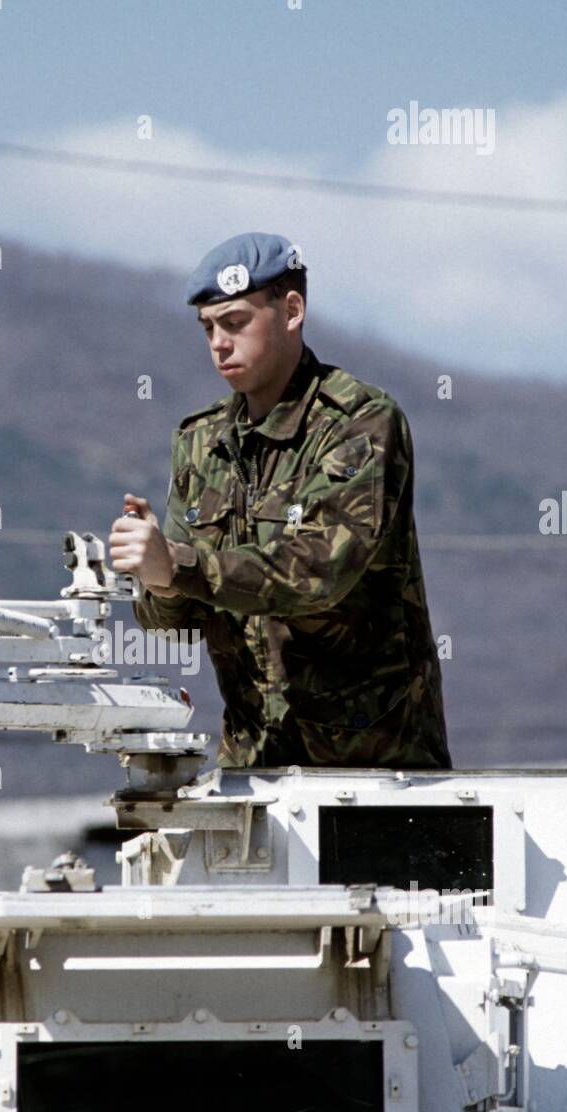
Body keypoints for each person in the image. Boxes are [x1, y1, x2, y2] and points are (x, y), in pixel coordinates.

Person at [107, 231, 451, 771]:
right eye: (208, 328)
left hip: (377, 773)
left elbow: (316, 574)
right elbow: (176, 627)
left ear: (291, 311)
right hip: (255, 764)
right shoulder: (202, 442)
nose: (219, 343)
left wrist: (178, 563)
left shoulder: (358, 422)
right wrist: (156, 577)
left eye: (236, 322)